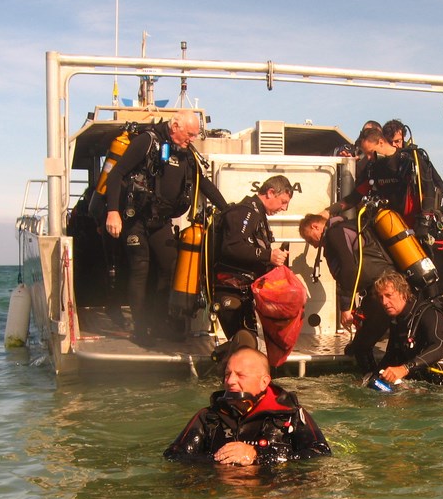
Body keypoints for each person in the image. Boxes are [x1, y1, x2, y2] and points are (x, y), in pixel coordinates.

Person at [102, 110, 230, 345]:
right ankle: (141, 330)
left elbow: (203, 183)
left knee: (169, 266)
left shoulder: (186, 153)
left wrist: (228, 210)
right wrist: (113, 211)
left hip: (160, 221)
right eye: (190, 134)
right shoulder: (147, 141)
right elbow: (116, 173)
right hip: (135, 220)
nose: (192, 139)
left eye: (195, 135)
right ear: (175, 127)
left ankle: (159, 323)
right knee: (140, 269)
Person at [164, 347, 331, 466]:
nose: (230, 381)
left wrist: (257, 456)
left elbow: (320, 453)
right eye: (227, 374)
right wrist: (219, 463)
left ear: (264, 382)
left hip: (273, 495)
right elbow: (174, 456)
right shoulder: (209, 417)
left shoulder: (290, 414)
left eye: (240, 375)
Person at [299, 213, 395, 371]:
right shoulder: (348, 227)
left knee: (361, 347)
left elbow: (348, 269)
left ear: (315, 227)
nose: (314, 246)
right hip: (386, 285)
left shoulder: (334, 233)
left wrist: (345, 307)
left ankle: (373, 380)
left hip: (382, 288)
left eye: (310, 240)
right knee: (360, 345)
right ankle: (377, 376)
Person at [208, 175, 293, 354]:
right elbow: (232, 247)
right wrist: (268, 255)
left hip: (243, 292)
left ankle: (222, 360)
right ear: (270, 193)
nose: (284, 208)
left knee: (248, 345)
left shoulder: (257, 215)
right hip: (230, 291)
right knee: (244, 347)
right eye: (283, 202)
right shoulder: (246, 212)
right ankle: (217, 360)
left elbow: (250, 254)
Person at [374, 271, 443, 385]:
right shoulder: (397, 321)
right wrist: (373, 378)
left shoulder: (428, 313)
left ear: (403, 293)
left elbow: (439, 346)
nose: (384, 302)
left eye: (388, 295)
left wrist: (405, 368)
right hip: (423, 380)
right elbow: (391, 355)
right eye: (381, 297)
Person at [345, 126, 443, 247]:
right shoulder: (375, 166)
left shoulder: (412, 159)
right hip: (390, 224)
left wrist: (424, 222)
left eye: (398, 141)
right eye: (391, 141)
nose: (395, 145)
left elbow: (431, 189)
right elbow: (357, 194)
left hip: (416, 225)